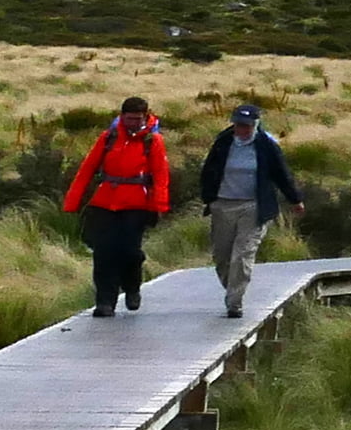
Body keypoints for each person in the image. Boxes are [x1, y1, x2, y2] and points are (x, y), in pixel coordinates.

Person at [62, 96, 172, 317]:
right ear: (122, 116)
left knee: (130, 252)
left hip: (137, 205)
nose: (133, 123)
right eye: (129, 118)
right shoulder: (109, 137)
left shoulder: (153, 141)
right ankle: (105, 302)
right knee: (103, 253)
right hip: (104, 202)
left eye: (137, 119)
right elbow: (87, 169)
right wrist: (72, 201)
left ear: (145, 116)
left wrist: (158, 206)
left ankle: (132, 288)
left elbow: (161, 176)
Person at [194, 99, 305, 317]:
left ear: (256, 124)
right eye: (238, 124)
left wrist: (295, 199)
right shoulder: (223, 142)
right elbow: (209, 170)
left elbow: (281, 174)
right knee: (222, 256)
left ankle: (235, 302)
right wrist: (209, 198)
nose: (242, 129)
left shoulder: (266, 146)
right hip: (223, 205)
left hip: (253, 206)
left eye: (246, 125)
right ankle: (233, 289)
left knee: (243, 254)